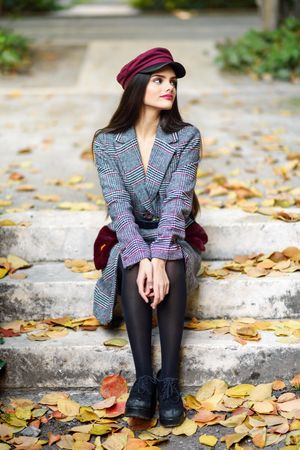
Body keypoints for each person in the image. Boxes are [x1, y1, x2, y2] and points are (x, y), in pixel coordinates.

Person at [91, 47, 204, 427]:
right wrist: (141, 255)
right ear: (137, 86)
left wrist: (157, 257)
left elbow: (177, 203)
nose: (168, 88)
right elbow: (118, 203)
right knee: (129, 260)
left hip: (174, 232)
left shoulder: (186, 137)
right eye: (158, 80)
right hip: (129, 232)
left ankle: (168, 379)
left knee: (169, 261)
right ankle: (143, 380)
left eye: (172, 82)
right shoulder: (107, 142)